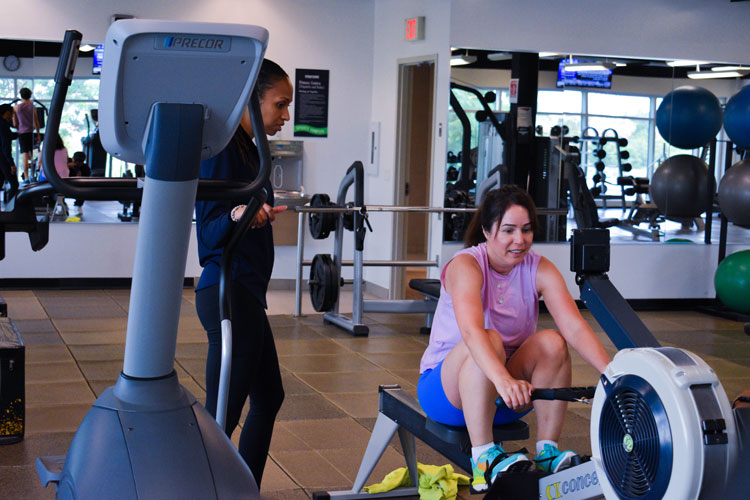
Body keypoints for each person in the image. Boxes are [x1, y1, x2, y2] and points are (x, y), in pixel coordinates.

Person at [417, 185, 611, 494]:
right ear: (487, 230)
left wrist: (613, 372)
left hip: (506, 396)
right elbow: (471, 332)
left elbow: (573, 327)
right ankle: (482, 457)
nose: (519, 240)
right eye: (508, 230)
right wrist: (503, 379)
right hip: (446, 394)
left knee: (552, 341)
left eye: (526, 230)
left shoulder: (539, 267)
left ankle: (548, 451)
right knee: (487, 339)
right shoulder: (466, 265)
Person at [194, 58, 292, 488]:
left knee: (269, 397)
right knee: (221, 416)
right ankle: (201, 490)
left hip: (246, 293)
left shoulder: (250, 150)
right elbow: (209, 232)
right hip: (225, 290)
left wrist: (253, 211)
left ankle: (243, 488)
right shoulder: (221, 150)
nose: (285, 117)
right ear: (253, 101)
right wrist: (239, 212)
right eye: (280, 105)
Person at [13, 87, 40, 184]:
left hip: (22, 134)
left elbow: (15, 123)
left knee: (25, 155)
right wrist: (38, 134)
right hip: (31, 133)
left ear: (21, 96)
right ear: (30, 95)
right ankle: (33, 176)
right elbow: (36, 121)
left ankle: (26, 177)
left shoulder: (16, 108)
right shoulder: (32, 106)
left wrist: (19, 129)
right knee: (34, 154)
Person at [81, 109, 107, 177]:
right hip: (97, 161)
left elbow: (94, 140)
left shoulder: (99, 131)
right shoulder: (97, 129)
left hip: (97, 162)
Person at [0, 103, 18, 199]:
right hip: (3, 158)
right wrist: (11, 164)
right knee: (14, 185)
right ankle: (10, 210)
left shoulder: (3, 124)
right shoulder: (3, 126)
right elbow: (6, 147)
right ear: (7, 113)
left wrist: (19, 134)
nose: (12, 116)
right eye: (12, 113)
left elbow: (10, 136)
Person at [67, 151, 91, 216]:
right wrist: (67, 166)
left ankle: (78, 205)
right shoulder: (67, 164)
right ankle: (63, 205)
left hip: (79, 187)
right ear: (73, 159)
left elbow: (86, 180)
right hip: (66, 185)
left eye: (80, 162)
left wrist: (78, 172)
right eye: (76, 161)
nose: (78, 163)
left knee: (84, 189)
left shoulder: (85, 168)